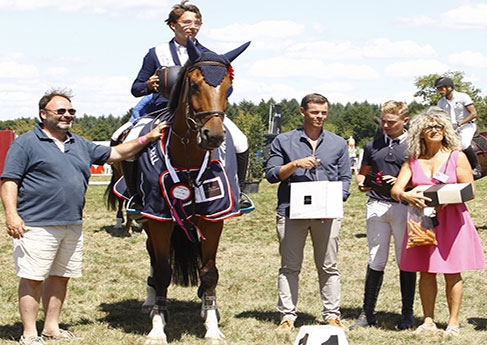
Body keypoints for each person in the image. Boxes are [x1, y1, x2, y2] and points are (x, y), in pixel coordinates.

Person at [0, 89, 167, 345]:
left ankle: (51, 328)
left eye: (71, 111)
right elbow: (10, 180)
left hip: (72, 223)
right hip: (35, 224)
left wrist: (148, 138)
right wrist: (12, 215)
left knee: (60, 277)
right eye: (60, 111)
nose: (67, 115)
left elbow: (117, 154)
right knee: (33, 278)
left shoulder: (79, 143)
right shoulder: (26, 143)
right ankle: (29, 333)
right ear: (43, 114)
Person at [126, 1, 249, 211]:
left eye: (197, 22)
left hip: (202, 112)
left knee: (240, 141)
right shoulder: (156, 53)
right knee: (128, 142)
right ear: (173, 25)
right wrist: (148, 85)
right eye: (187, 21)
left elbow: (224, 89)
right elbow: (136, 88)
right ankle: (135, 195)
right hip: (161, 110)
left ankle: (239, 190)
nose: (193, 26)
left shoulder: (210, 56)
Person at [390, 106, 486, 337]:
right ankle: (428, 320)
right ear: (420, 132)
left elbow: (470, 190)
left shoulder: (456, 156)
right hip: (423, 224)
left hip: (452, 220)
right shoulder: (413, 160)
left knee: (453, 272)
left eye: (438, 126)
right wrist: (406, 195)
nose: (434, 130)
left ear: (445, 130)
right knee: (427, 271)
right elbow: (396, 190)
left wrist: (443, 196)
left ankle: (453, 322)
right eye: (428, 127)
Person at [265, 93, 352, 333]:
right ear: (302, 112)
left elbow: (345, 179)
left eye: (323, 112)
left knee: (328, 266)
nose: (320, 117)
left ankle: (332, 315)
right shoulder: (283, 141)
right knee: (290, 266)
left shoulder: (338, 143)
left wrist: (333, 203)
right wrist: (294, 165)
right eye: (315, 112)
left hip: (327, 214)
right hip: (291, 212)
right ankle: (287, 316)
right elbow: (271, 175)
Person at [349, 101, 416, 331]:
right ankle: (367, 313)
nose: (386, 125)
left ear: (404, 121)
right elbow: (362, 174)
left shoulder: (416, 146)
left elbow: (421, 177)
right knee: (375, 258)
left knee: (404, 260)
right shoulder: (372, 145)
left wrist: (399, 184)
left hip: (404, 206)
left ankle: (407, 313)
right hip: (376, 205)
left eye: (392, 122)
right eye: (384, 121)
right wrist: (363, 184)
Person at [434, 77, 481, 179]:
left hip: (467, 125)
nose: (440, 91)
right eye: (438, 89)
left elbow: (473, 113)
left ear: (449, 87)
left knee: (464, 144)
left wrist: (459, 124)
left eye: (442, 88)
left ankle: (476, 168)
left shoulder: (463, 97)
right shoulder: (441, 102)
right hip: (451, 128)